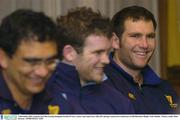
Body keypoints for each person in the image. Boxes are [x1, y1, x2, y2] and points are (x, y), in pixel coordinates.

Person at [49, 7, 134, 113]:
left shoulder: (119, 102)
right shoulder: (39, 95)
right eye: (98, 53)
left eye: (107, 53)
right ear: (69, 53)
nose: (106, 60)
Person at [104, 5, 179, 113]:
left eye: (150, 36)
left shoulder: (165, 88)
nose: (144, 45)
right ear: (115, 41)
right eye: (135, 36)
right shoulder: (101, 84)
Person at [0, 9, 72, 114]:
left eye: (50, 61)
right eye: (32, 62)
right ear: (2, 58)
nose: (43, 72)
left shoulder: (55, 100)